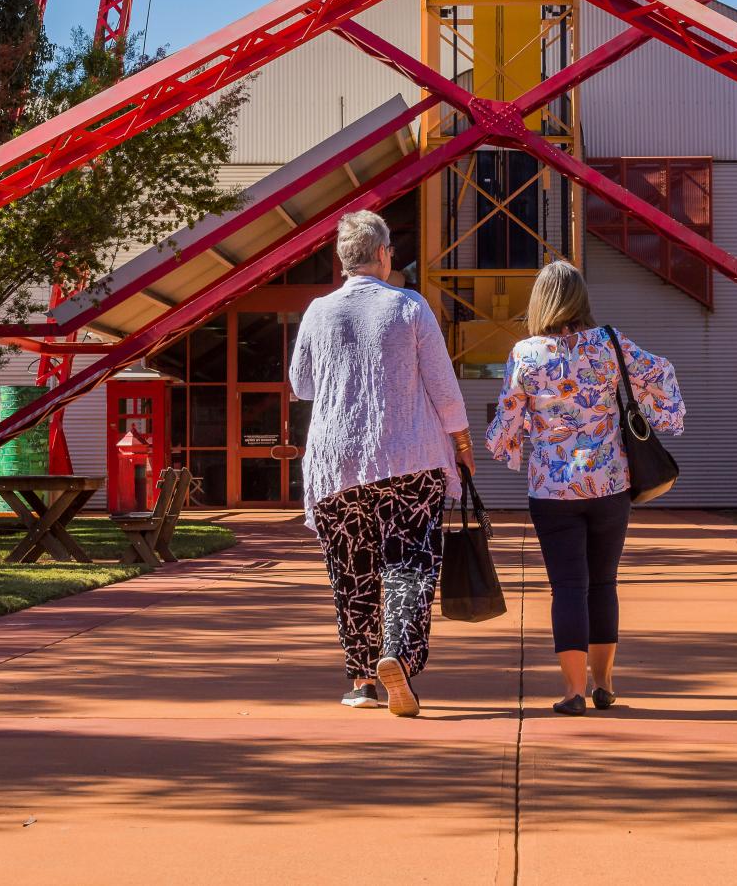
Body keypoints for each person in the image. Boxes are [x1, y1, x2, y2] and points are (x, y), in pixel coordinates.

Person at [289, 210, 474, 717]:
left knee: (350, 570)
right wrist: (461, 441)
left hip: (335, 463)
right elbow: (442, 384)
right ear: (386, 254)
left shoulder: (317, 311)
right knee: (409, 561)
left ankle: (361, 680)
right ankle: (398, 655)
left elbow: (301, 385)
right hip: (409, 458)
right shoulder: (409, 306)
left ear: (342, 259)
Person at [486, 260, 684, 716]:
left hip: (552, 491)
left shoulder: (526, 354)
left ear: (540, 301)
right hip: (611, 483)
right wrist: (658, 416)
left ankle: (574, 691)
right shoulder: (609, 343)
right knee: (603, 583)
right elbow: (660, 374)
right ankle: (605, 684)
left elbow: (508, 418)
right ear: (581, 299)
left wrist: (507, 440)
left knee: (568, 587)